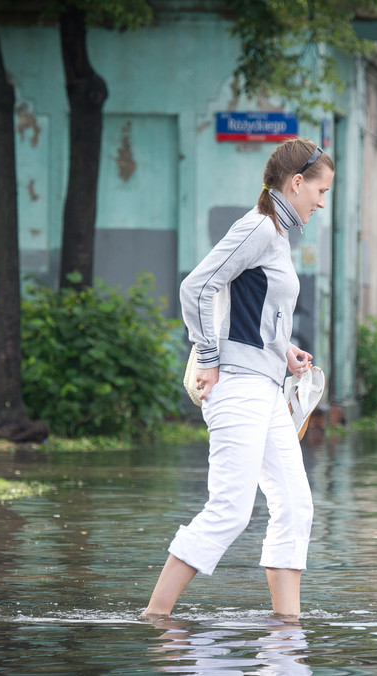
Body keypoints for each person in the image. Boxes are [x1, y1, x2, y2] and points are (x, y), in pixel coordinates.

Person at [141, 138, 332, 620]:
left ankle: (288, 628)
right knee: (230, 509)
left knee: (295, 503)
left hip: (264, 388)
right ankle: (154, 617)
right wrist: (207, 355)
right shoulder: (260, 228)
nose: (322, 201)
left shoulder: (278, 236)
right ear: (296, 183)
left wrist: (284, 350)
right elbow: (197, 285)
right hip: (238, 389)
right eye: (320, 190)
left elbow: (250, 311)